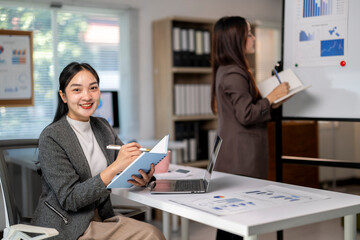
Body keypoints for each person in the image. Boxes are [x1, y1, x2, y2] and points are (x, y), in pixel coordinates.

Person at [31, 62, 165, 240]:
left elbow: (123, 169)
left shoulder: (102, 126)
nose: (87, 96)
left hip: (101, 218)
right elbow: (70, 199)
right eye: (77, 90)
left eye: (93, 88)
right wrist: (116, 166)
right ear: (63, 96)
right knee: (151, 234)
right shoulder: (52, 137)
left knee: (151, 232)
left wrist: (140, 176)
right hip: (66, 226)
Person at [210, 16, 290, 240]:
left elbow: (247, 110)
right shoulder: (235, 72)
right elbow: (246, 115)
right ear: (237, 39)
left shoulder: (226, 69)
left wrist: (271, 102)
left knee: (231, 220)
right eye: (249, 33)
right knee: (238, 219)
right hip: (241, 157)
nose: (253, 38)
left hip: (234, 154)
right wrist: (271, 98)